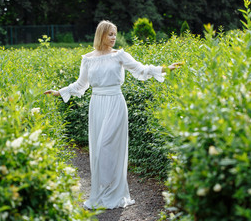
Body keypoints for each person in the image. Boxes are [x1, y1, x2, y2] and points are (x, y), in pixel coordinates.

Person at [44, 20, 181, 209]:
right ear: (101, 35)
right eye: (110, 34)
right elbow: (80, 85)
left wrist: (165, 68)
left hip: (115, 102)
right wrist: (59, 92)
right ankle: (102, 192)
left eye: (115, 34)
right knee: (99, 151)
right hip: (97, 104)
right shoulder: (88, 59)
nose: (114, 38)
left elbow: (141, 69)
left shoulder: (120, 56)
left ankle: (115, 192)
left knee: (106, 145)